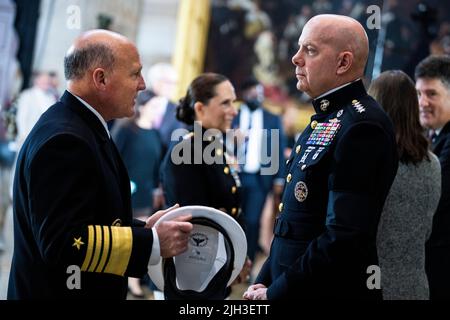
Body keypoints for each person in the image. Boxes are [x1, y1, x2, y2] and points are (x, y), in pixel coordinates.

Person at [8, 29, 193, 299]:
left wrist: (143, 229)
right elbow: (63, 242)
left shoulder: (80, 125)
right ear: (101, 78)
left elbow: (91, 215)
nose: (142, 85)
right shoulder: (65, 139)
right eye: (134, 73)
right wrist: (151, 242)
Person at [244, 14, 398, 300]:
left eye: (310, 50)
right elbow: (292, 221)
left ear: (343, 62)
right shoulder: (326, 118)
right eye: (300, 47)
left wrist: (277, 291)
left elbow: (343, 235)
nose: (295, 58)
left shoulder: (362, 125)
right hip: (290, 283)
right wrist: (265, 279)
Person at [160, 72, 251, 299]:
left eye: (234, 102)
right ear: (200, 109)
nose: (234, 110)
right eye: (226, 103)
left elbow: (230, 209)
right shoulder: (188, 152)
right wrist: (232, 261)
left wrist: (238, 256)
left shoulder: (213, 147)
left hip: (214, 268)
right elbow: (196, 221)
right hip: (191, 276)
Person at [369, 70, 441, 300]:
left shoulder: (366, 158)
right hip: (414, 286)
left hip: (370, 284)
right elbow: (427, 229)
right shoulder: (433, 162)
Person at [112, 90, 164, 297]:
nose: (158, 111)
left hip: (145, 192)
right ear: (142, 106)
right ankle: (121, 279)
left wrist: (155, 189)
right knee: (123, 234)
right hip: (127, 190)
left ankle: (133, 280)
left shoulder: (155, 134)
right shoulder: (126, 130)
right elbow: (114, 159)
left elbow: (155, 165)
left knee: (139, 236)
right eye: (154, 106)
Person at [231, 76, 285, 264]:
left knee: (253, 222)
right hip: (233, 176)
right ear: (244, 94)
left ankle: (247, 262)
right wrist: (232, 141)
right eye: (253, 93)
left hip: (259, 179)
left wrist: (279, 179)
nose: (257, 97)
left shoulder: (272, 118)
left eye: (260, 93)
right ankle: (228, 261)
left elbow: (278, 148)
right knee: (232, 219)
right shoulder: (232, 115)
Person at [415, 55, 450, 300]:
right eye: (418, 94)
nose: (422, 102)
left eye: (432, 94)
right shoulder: (435, 137)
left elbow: (431, 199)